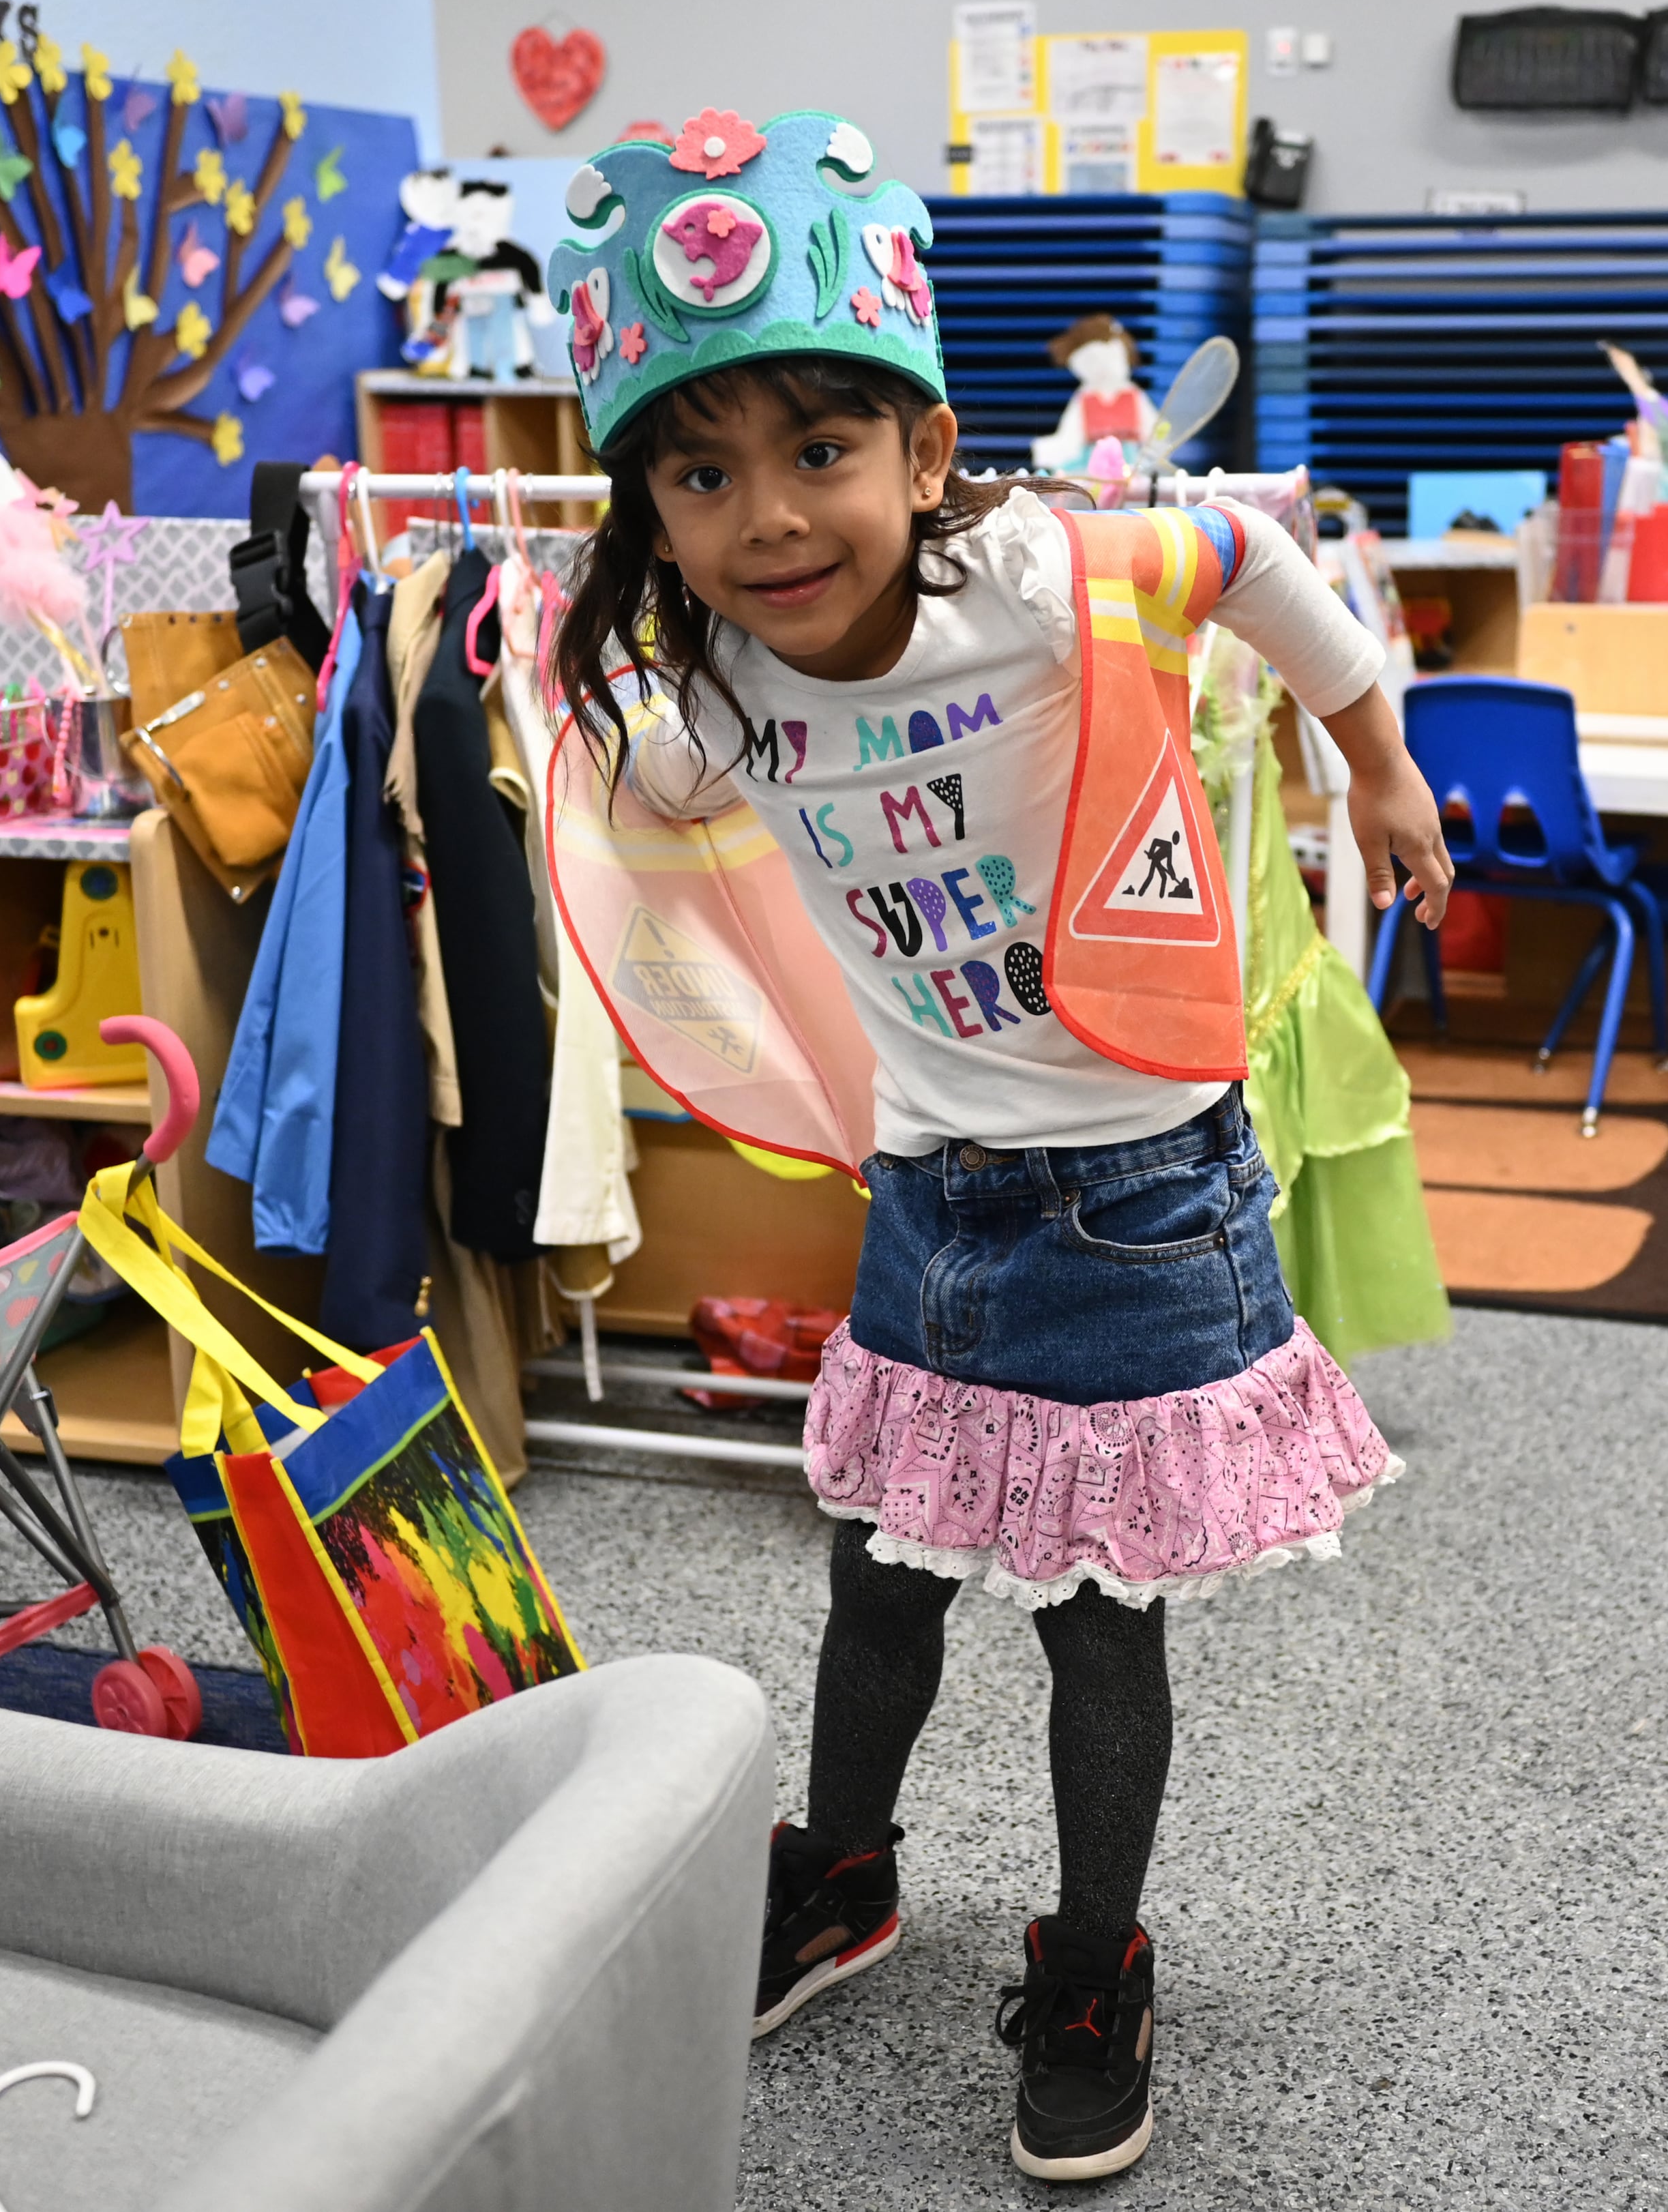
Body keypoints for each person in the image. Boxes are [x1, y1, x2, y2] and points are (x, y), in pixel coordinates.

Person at [539, 110, 1448, 2185]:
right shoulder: (715, 675)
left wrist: (1370, 755)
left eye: (818, 453)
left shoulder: (1039, 577)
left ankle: (1096, 1958)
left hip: (1137, 1200)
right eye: (700, 472)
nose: (767, 517)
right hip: (928, 1204)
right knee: (874, 1579)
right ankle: (843, 1871)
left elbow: (1247, 554)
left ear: (925, 457)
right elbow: (661, 805)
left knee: (1090, 1616)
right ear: (651, 509)